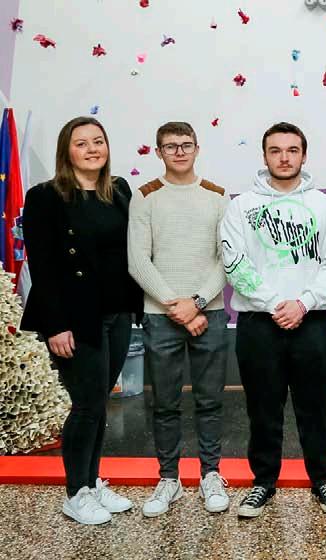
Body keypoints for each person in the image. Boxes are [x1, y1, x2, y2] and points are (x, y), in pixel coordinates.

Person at [221, 122, 326, 518]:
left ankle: (323, 481)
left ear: (303, 155)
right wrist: (277, 303)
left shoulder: (324, 206)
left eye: (292, 150)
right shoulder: (241, 206)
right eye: (275, 150)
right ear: (264, 156)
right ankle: (263, 483)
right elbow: (234, 262)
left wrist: (303, 303)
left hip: (311, 323)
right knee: (262, 410)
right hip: (258, 324)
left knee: (315, 409)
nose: (284, 157)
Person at [21, 116, 143, 525]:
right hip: (74, 319)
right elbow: (42, 266)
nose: (92, 149)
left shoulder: (119, 190)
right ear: (66, 151)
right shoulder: (45, 196)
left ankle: (91, 482)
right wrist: (55, 325)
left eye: (98, 141)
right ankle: (75, 493)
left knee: (99, 402)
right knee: (86, 404)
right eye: (82, 143)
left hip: (117, 313)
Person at [127, 121, 230, 517]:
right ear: (159, 152)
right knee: (165, 403)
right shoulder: (145, 196)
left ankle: (211, 474)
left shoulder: (217, 195)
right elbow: (138, 260)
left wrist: (198, 302)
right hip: (161, 317)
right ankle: (168, 478)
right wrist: (178, 307)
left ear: (197, 148)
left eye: (186, 145)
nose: (180, 152)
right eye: (171, 146)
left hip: (210, 314)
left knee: (210, 400)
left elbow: (226, 259)